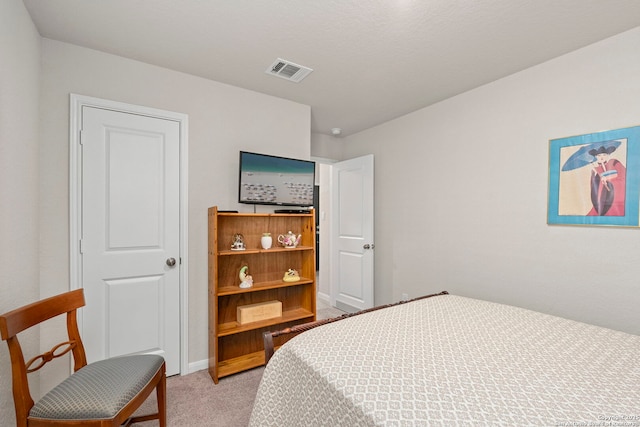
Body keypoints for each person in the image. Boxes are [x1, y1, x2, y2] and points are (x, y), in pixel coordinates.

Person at [587, 145, 626, 216]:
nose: (602, 157)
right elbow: (594, 189)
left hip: (616, 197)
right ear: (596, 157)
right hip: (602, 200)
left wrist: (608, 178)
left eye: (604, 155)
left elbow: (623, 176)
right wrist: (594, 174)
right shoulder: (596, 169)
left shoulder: (614, 162)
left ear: (608, 155)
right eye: (599, 155)